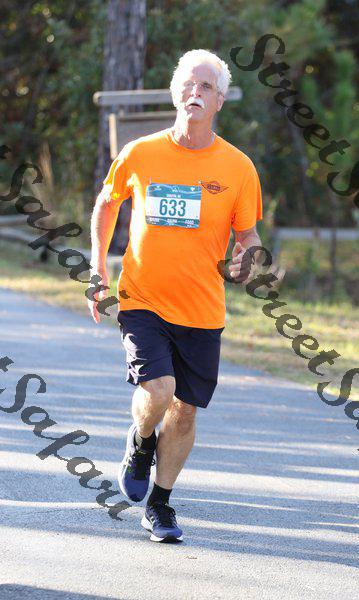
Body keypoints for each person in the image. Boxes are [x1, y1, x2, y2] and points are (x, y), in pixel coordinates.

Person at [88, 49, 263, 543]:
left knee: (185, 410)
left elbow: (248, 235)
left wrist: (248, 258)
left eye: (206, 87)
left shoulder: (238, 167)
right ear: (175, 93)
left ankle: (160, 504)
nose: (195, 93)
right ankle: (142, 440)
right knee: (159, 389)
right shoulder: (141, 153)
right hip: (143, 297)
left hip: (203, 309)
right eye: (188, 84)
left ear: (219, 101)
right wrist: (98, 268)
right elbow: (107, 203)